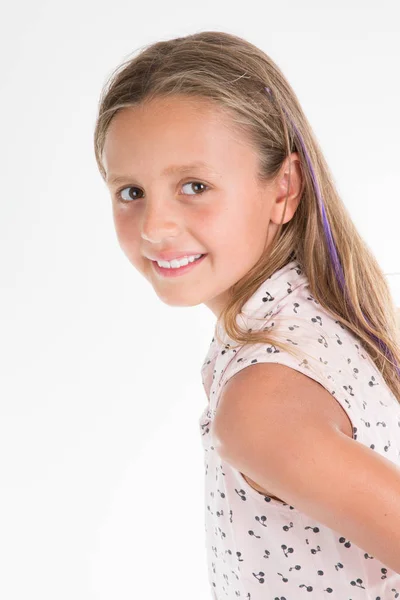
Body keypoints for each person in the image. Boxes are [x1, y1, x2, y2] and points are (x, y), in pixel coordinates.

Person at [93, 30, 400, 598]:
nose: (155, 227)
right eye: (130, 192)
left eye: (194, 185)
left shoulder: (261, 399)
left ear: (284, 188)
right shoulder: (309, 321)